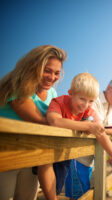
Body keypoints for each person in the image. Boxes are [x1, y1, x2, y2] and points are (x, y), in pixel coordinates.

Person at [46, 73, 112, 199]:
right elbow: (54, 121)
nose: (85, 105)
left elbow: (100, 132)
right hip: (59, 157)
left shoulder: (88, 110)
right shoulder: (59, 102)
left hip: (76, 159)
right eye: (82, 99)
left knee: (75, 191)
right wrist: (87, 126)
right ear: (71, 93)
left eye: (91, 101)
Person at [0, 45, 67, 200]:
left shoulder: (52, 93)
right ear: (33, 67)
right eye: (47, 70)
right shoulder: (16, 84)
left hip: (31, 156)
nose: (52, 77)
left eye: (56, 73)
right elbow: (41, 121)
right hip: (5, 155)